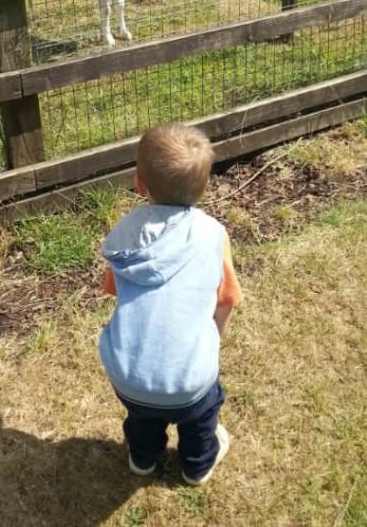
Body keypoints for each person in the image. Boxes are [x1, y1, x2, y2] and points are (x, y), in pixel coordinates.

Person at [99, 123, 243, 486]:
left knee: (142, 417)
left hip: (127, 376)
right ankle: (197, 466)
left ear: (139, 184)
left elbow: (115, 291)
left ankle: (142, 458)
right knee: (201, 416)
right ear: (205, 186)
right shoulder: (213, 235)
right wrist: (210, 342)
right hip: (190, 382)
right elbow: (225, 301)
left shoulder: (125, 235)